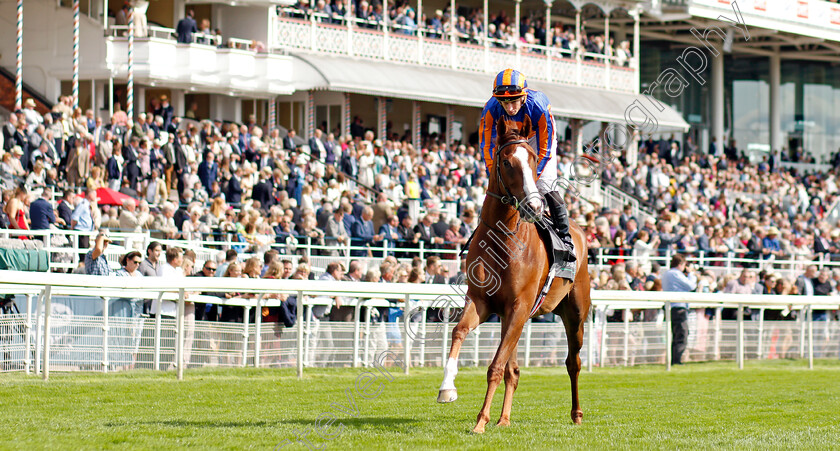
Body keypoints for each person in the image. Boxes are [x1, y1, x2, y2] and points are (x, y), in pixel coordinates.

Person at [478, 68, 573, 262]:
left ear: (523, 96)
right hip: (510, 141)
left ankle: (565, 238)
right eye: (504, 102)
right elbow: (486, 144)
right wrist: (492, 173)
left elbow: (545, 147)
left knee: (545, 186)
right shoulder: (491, 108)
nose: (510, 107)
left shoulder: (537, 105)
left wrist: (533, 175)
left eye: (513, 101)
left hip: (538, 140)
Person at [661, 253, 696, 365]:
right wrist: (691, 274)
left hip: (671, 307)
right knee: (682, 334)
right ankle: (676, 360)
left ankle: (674, 360)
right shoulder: (675, 273)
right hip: (678, 307)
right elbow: (691, 286)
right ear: (681, 264)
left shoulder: (667, 273)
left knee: (675, 335)